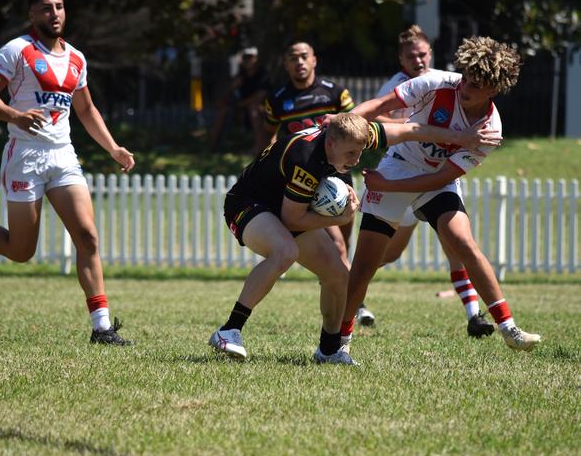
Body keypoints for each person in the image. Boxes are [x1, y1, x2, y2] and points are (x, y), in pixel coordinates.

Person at [208, 112, 499, 365]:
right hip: (248, 204)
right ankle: (229, 330)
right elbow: (292, 219)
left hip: (287, 205)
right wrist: (340, 218)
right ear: (330, 143)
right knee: (285, 251)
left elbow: (413, 130)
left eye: (360, 153)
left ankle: (329, 350)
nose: (356, 160)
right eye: (350, 155)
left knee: (338, 275)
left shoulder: (353, 135)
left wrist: (461, 137)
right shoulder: (306, 159)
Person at [0, 0, 134, 345]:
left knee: (87, 236)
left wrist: (113, 148)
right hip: (24, 156)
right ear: (32, 16)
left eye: (59, 7)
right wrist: (15, 116)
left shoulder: (76, 58)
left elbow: (85, 110)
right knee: (21, 251)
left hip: (63, 156)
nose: (54, 13)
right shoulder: (17, 50)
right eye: (46, 8)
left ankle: (101, 327)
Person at [340, 36, 541, 352]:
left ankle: (509, 328)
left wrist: (385, 186)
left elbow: (440, 177)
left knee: (463, 242)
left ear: (493, 90)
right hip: (398, 165)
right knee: (366, 265)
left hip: (433, 181)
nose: (465, 87)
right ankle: (339, 343)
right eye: (465, 77)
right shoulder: (433, 83)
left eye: (475, 85)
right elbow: (379, 106)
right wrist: (342, 124)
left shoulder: (490, 131)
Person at [371, 25, 493, 338]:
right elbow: (377, 118)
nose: (419, 59)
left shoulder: (447, 82)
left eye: (423, 53)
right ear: (401, 58)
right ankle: (347, 284)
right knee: (388, 253)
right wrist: (409, 127)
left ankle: (475, 315)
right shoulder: (397, 85)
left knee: (457, 244)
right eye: (411, 55)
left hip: (439, 176)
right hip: (403, 170)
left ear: (431, 54)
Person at [263, 40, 376, 326]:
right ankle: (353, 303)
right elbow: (269, 136)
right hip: (306, 179)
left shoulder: (334, 91)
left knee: (344, 241)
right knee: (336, 244)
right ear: (286, 64)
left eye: (304, 56)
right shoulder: (277, 99)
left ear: (314, 60)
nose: (299, 62)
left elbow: (355, 123)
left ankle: (343, 292)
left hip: (338, 174)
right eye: (292, 57)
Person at [209, 46, 271, 155]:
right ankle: (212, 147)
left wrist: (241, 104)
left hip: (262, 109)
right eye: (245, 57)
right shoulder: (240, 74)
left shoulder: (263, 74)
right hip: (241, 108)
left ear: (256, 59)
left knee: (254, 110)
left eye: (250, 57)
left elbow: (259, 97)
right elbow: (225, 97)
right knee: (223, 111)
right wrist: (232, 87)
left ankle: (259, 148)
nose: (248, 60)